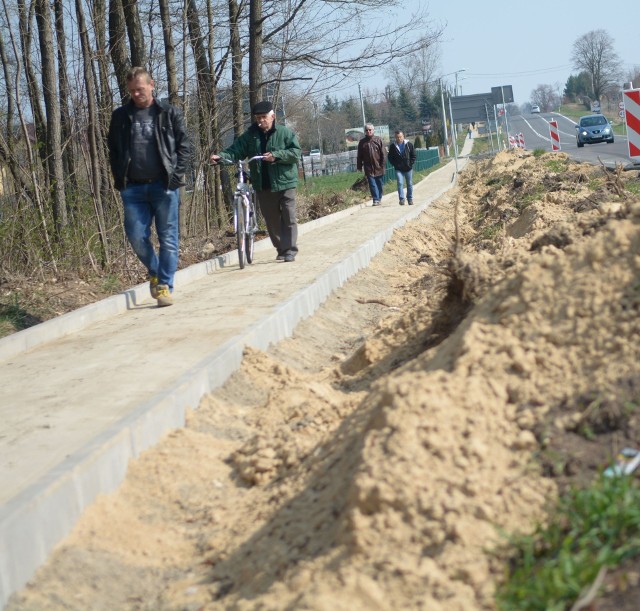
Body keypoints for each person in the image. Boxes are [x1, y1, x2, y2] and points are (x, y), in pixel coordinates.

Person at [107, 66, 191, 307]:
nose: (136, 94)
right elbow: (114, 150)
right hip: (132, 189)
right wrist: (119, 180)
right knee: (135, 236)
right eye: (132, 91)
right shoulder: (120, 116)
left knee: (168, 238)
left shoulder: (169, 113)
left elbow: (185, 146)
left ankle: (164, 285)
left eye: (140, 89)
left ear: (151, 85)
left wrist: (176, 177)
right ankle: (155, 271)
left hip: (163, 186)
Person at [210, 100, 301, 262]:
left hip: (285, 182)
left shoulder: (285, 133)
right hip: (263, 184)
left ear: (272, 116)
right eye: (258, 118)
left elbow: (295, 153)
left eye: (264, 117)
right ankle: (281, 248)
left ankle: (290, 250)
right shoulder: (250, 136)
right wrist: (221, 157)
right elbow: (235, 151)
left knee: (289, 216)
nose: (261, 121)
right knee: (271, 219)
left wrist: (277, 155)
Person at [357, 123, 386, 206]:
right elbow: (359, 156)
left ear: (373, 130)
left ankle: (379, 197)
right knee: (372, 184)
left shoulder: (378, 140)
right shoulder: (362, 142)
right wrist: (359, 166)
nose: (368, 131)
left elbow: (383, 154)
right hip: (368, 167)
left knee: (379, 184)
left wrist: (382, 165)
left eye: (370, 130)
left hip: (379, 166)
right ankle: (375, 199)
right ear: (365, 132)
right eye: (367, 130)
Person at [387, 130, 416, 206]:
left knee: (409, 183)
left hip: (408, 168)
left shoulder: (409, 145)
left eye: (400, 137)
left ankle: (410, 199)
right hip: (399, 169)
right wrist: (395, 164)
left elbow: (414, 155)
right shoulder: (393, 146)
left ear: (403, 136)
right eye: (397, 137)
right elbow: (390, 157)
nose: (399, 138)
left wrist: (410, 163)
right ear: (395, 138)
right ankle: (401, 199)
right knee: (400, 183)